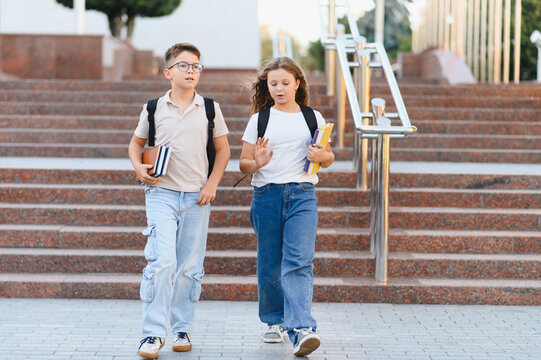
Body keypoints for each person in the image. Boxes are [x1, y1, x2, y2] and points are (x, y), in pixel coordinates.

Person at [128, 42, 230, 359]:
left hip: (197, 197)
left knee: (189, 267)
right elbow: (135, 143)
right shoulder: (154, 108)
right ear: (168, 72)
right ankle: (153, 334)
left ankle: (182, 327)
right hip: (161, 194)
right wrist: (138, 168)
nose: (191, 71)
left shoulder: (210, 108)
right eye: (184, 66)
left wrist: (212, 185)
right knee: (162, 263)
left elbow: (224, 151)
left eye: (196, 66)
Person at [239, 57, 335, 357]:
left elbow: (328, 158)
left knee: (299, 261)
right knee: (270, 261)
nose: (279, 88)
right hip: (267, 195)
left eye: (284, 83)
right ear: (267, 87)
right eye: (273, 84)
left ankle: (302, 328)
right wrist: (259, 162)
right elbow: (243, 163)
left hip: (303, 195)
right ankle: (273, 321)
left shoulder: (312, 117)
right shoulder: (260, 119)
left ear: (297, 83)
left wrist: (321, 155)